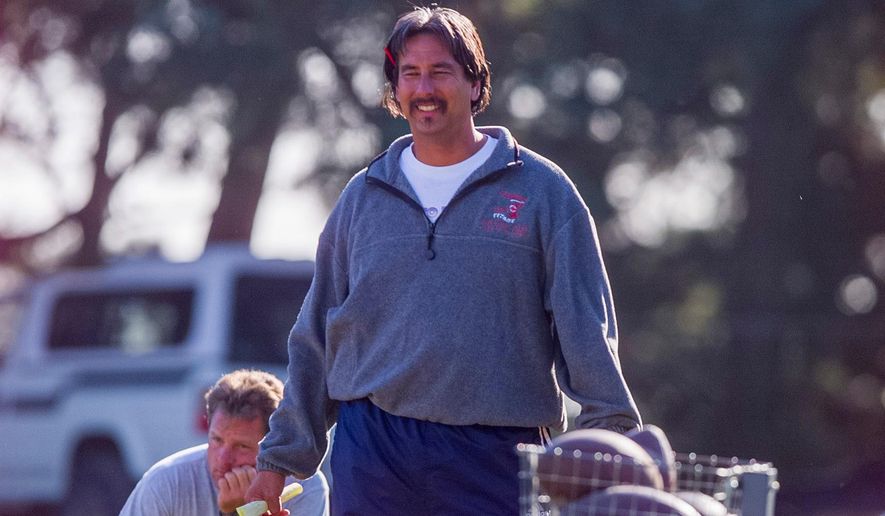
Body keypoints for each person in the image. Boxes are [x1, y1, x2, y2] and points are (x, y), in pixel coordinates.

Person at [247, 5, 642, 515]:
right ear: (395, 90)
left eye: (441, 72)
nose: (424, 88)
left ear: (476, 85)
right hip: (374, 449)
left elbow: (587, 328)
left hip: (498, 453)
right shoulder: (362, 197)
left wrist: (611, 436)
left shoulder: (544, 193)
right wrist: (277, 461)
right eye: (409, 74)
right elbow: (316, 337)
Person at [119, 369, 328, 516]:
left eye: (242, 446)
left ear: (273, 445)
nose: (223, 459)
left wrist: (239, 513)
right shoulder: (165, 482)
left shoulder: (304, 487)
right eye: (216, 440)